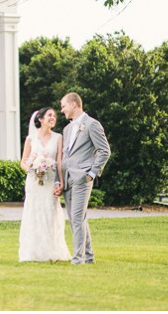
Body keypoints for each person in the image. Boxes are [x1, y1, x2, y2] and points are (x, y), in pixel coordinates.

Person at [58, 92, 111, 265]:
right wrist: (59, 180)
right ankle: (88, 256)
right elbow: (65, 156)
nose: (62, 110)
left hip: (82, 178)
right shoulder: (67, 129)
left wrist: (92, 173)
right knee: (76, 219)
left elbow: (104, 150)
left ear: (74, 104)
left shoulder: (92, 125)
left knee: (78, 217)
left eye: (63, 106)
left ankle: (77, 259)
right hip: (67, 178)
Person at [18, 106, 71, 262]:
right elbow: (23, 162)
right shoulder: (30, 139)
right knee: (34, 214)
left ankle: (51, 251)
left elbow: (60, 161)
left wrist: (60, 182)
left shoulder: (58, 137)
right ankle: (33, 252)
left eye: (54, 116)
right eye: (49, 115)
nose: (53, 118)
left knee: (50, 214)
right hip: (34, 183)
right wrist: (33, 168)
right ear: (40, 119)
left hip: (49, 182)